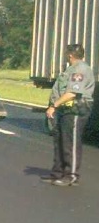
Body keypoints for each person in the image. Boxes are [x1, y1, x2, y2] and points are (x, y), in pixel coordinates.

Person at [43, 43, 96, 186]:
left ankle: (71, 175)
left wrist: (54, 106)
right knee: (60, 140)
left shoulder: (80, 69)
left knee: (70, 143)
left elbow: (72, 93)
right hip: (67, 109)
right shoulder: (72, 69)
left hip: (76, 109)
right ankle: (57, 173)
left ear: (70, 55)